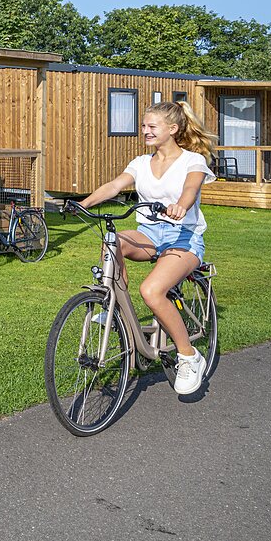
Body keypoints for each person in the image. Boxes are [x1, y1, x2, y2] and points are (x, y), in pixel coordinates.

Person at [76, 100, 217, 395]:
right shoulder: (141, 163)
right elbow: (115, 186)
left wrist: (181, 206)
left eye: (152, 126)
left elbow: (191, 188)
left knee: (152, 291)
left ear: (173, 129)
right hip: (150, 235)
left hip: (184, 238)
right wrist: (82, 204)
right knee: (113, 241)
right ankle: (113, 306)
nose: (145, 131)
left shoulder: (193, 161)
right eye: (143, 126)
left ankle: (189, 356)